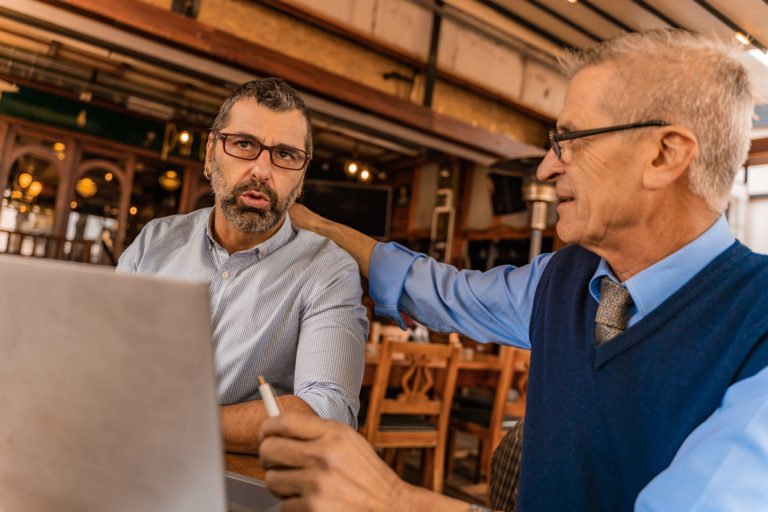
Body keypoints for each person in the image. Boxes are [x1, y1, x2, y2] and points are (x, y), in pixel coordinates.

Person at [258, 29, 768, 511]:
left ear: (664, 154)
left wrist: (392, 501)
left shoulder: (758, 328)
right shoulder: (564, 279)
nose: (546, 168)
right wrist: (313, 225)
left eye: (571, 139)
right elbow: (442, 291)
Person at [117, 78, 368, 452]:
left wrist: (169, 423)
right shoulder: (155, 242)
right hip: (123, 456)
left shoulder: (329, 272)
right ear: (209, 154)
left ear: (301, 179)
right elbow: (104, 356)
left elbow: (328, 414)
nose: (262, 171)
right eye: (244, 144)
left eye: (285, 155)